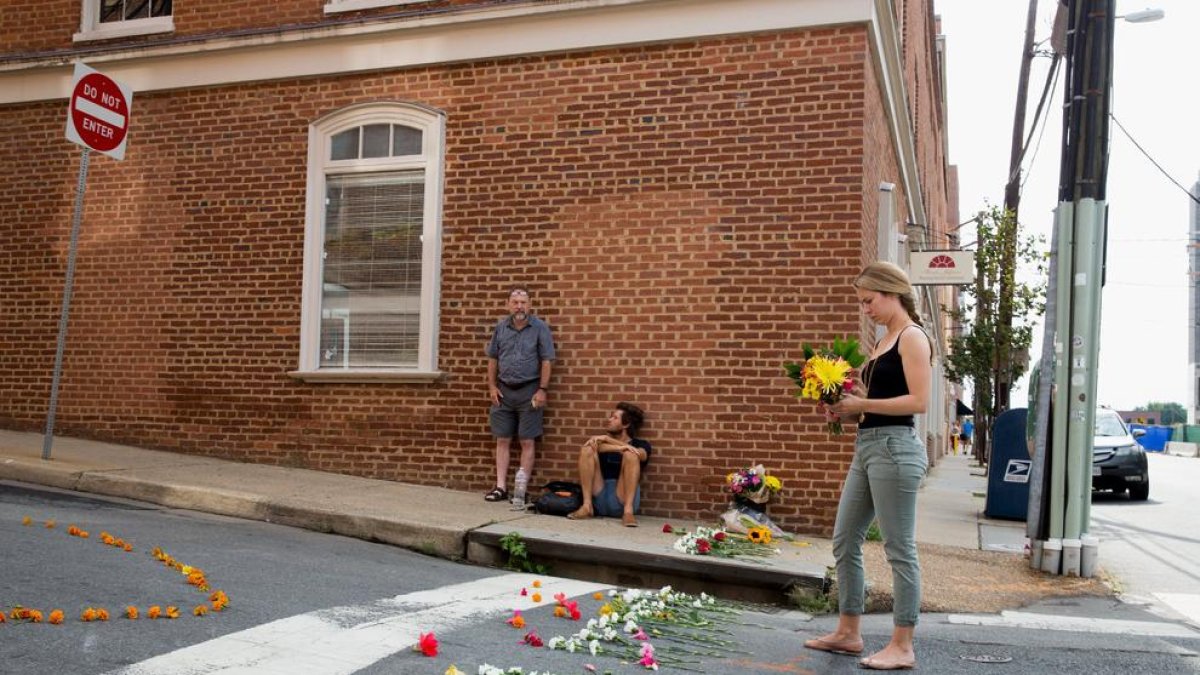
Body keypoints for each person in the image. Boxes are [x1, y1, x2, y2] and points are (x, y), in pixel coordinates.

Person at [803, 261, 932, 671]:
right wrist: (844, 411)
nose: (865, 310)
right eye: (862, 302)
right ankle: (848, 632)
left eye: (869, 301)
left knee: (898, 547)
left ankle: (902, 644)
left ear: (892, 292)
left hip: (896, 450)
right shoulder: (882, 342)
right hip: (869, 446)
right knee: (844, 539)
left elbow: (918, 402)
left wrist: (862, 404)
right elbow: (870, 410)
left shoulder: (911, 338)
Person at [484, 287, 556, 502]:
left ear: (530, 304)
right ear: (508, 305)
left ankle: (520, 491)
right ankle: (500, 487)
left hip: (530, 391)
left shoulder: (540, 328)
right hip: (503, 391)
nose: (519, 306)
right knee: (502, 439)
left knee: (527, 441)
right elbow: (492, 359)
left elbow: (547, 360)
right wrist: (491, 386)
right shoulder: (501, 328)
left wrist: (542, 389)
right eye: (515, 302)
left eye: (523, 302)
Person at [566, 402, 651, 527]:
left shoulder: (641, 444)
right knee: (587, 449)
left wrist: (607, 439)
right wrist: (617, 448)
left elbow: (640, 454)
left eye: (614, 417)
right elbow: (595, 448)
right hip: (600, 497)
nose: (609, 419)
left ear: (626, 424)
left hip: (622, 499)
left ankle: (628, 512)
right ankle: (587, 506)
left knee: (631, 454)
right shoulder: (600, 442)